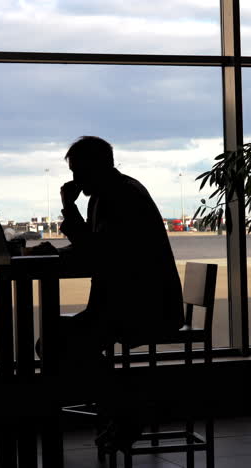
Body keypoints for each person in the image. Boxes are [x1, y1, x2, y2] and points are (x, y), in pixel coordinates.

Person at [56, 136, 184, 376]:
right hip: (139, 302)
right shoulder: (114, 191)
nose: (75, 179)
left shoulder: (117, 196)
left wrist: (69, 207)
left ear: (96, 166)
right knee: (60, 338)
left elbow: (96, 252)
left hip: (138, 307)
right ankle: (110, 396)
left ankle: (111, 394)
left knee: (56, 342)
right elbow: (99, 247)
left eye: (79, 171)